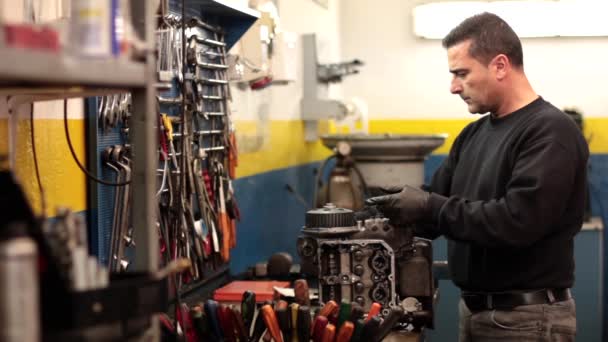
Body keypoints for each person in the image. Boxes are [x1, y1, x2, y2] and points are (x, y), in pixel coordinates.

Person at [366, 12, 588, 342]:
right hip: (475, 313)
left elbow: (518, 221)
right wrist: (388, 210)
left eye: (461, 74)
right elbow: (437, 207)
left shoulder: (549, 132)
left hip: (526, 321)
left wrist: (428, 206)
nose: (453, 87)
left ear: (500, 66)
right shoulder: (473, 134)